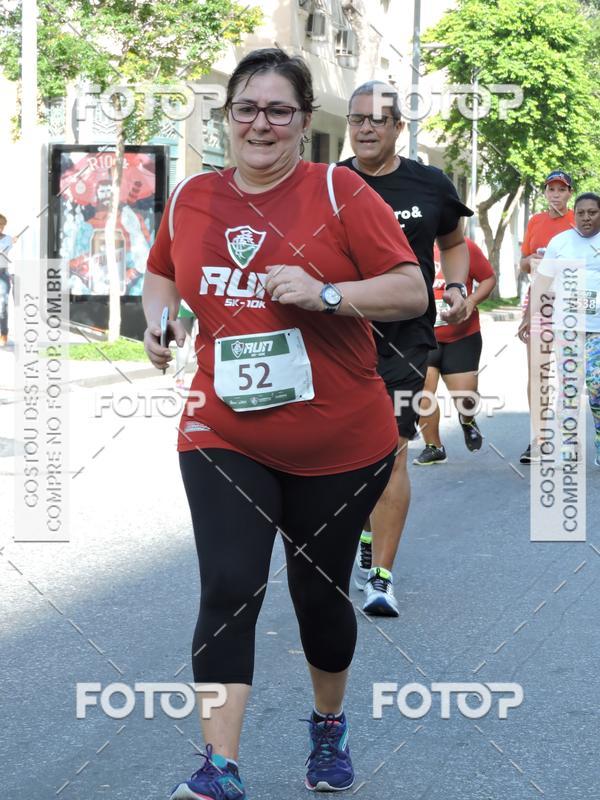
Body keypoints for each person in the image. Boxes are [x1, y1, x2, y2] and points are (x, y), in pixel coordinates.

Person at [142, 48, 428, 799]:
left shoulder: (339, 193)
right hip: (223, 429)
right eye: (247, 108)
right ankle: (219, 768)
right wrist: (160, 320)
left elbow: (409, 290)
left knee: (319, 595)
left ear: (303, 122)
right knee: (229, 586)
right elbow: (162, 272)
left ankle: (328, 724)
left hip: (339, 438)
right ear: (226, 116)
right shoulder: (192, 197)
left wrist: (327, 293)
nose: (260, 123)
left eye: (278, 110)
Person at [338, 81, 472, 616]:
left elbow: (454, 242)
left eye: (377, 119)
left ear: (398, 128)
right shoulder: (326, 183)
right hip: (335, 337)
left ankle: (381, 577)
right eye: (357, 119)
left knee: (392, 452)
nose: (366, 128)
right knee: (343, 458)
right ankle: (359, 535)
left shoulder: (430, 184)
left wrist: (456, 288)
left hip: (406, 339)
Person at [523, 192, 600, 467]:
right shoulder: (560, 242)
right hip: (566, 327)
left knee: (597, 385)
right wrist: (528, 317)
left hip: (598, 330)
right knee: (569, 387)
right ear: (575, 215)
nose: (586, 217)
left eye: (592, 212)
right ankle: (570, 444)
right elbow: (542, 282)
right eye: (581, 213)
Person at [414, 237, 497, 464]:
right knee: (423, 391)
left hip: (462, 336)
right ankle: (434, 446)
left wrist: (471, 301)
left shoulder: (464, 247)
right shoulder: (411, 244)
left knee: (465, 398)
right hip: (423, 336)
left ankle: (467, 420)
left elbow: (488, 278)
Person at [517, 171, 575, 463]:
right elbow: (524, 263)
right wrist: (532, 262)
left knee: (569, 374)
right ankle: (538, 439)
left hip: (572, 304)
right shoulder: (535, 222)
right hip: (541, 302)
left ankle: (567, 438)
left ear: (569, 194)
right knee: (538, 373)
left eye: (561, 190)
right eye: (550, 189)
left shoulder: (581, 221)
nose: (555, 194)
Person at [0, 214, 18, 347]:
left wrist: (13, 241)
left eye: (2, 225)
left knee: (3, 304)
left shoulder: (7, 239)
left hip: (3, 273)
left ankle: (4, 333)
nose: (0, 227)